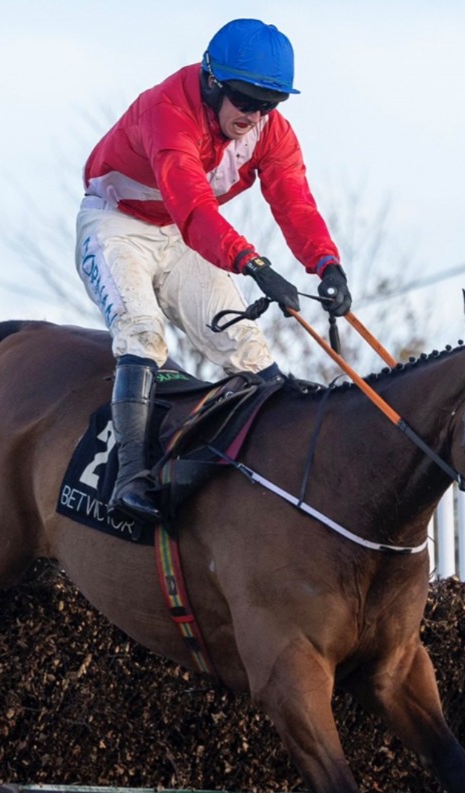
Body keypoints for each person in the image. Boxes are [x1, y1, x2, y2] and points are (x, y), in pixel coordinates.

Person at [75, 18, 351, 525]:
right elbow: (194, 208)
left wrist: (326, 264)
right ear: (211, 81)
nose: (255, 116)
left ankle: (267, 475)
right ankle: (130, 478)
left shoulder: (272, 133)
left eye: (269, 105)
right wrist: (253, 263)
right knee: (142, 335)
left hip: (180, 240)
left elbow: (293, 199)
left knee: (249, 349)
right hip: (117, 226)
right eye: (245, 100)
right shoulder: (167, 110)